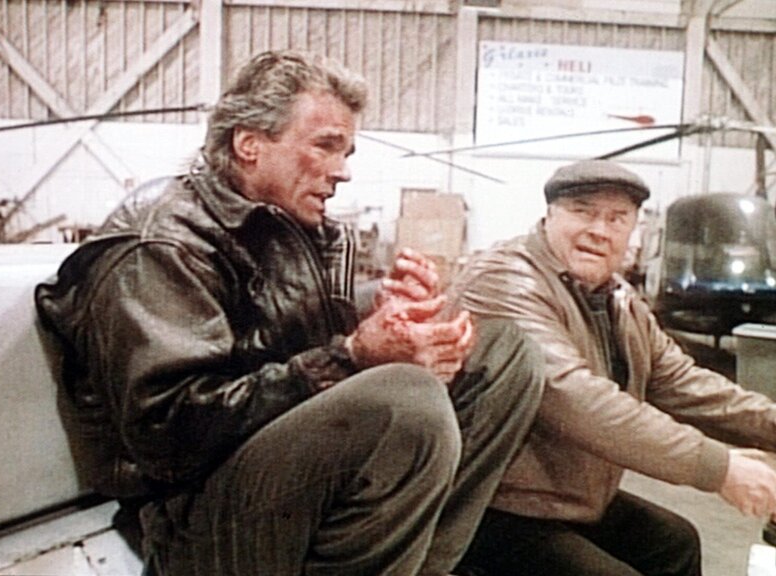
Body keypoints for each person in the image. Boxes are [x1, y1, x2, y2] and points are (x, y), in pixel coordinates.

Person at [34, 49, 543, 576]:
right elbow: (170, 437)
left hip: (268, 479)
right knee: (407, 401)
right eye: (325, 146)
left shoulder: (288, 228)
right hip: (187, 519)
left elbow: (287, 359)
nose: (343, 172)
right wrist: (353, 356)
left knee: (504, 353)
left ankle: (420, 567)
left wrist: (385, 319)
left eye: (346, 151)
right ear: (249, 144)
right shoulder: (160, 245)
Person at [448, 159, 776, 576]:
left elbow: (681, 381)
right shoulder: (505, 280)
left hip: (560, 497)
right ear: (550, 215)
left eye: (617, 218)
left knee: (675, 543)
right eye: (582, 211)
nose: (599, 230)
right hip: (488, 501)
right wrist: (719, 468)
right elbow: (577, 400)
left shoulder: (616, 298)